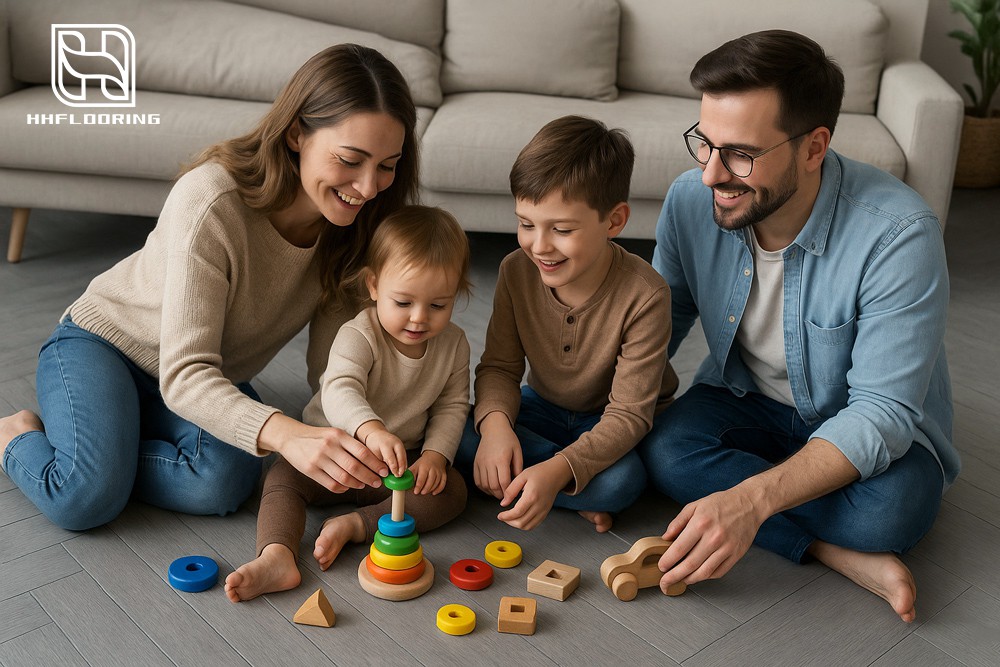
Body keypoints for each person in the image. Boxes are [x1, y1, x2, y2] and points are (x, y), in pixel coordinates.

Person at [0, 44, 421, 531]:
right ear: (296, 134)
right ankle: (19, 435)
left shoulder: (361, 228)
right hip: (106, 346)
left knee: (226, 480)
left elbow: (334, 368)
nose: (369, 187)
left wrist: (373, 427)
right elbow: (184, 373)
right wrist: (288, 436)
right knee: (84, 499)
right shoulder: (211, 200)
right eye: (351, 159)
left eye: (387, 165)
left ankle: (106, 451)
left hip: (204, 373)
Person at [640, 30, 958, 623]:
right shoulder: (690, 201)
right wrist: (592, 429)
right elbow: (660, 322)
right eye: (704, 144)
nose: (711, 175)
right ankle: (830, 549)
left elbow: (881, 413)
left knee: (892, 512)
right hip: (744, 400)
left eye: (740, 154)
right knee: (664, 448)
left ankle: (768, 510)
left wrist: (749, 498)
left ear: (814, 148)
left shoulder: (899, 233)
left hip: (853, 417)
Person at [225, 205, 471, 602]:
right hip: (335, 450)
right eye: (403, 302)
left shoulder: (455, 344)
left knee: (453, 491)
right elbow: (340, 388)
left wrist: (436, 456)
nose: (419, 319)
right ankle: (277, 554)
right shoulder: (360, 333)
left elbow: (453, 404)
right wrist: (370, 430)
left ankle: (359, 525)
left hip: (399, 463)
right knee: (282, 480)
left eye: (438, 305)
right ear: (374, 286)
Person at [454, 115, 679, 533]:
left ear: (614, 221)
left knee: (622, 481)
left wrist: (558, 468)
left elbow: (629, 415)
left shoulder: (646, 295)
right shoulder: (515, 271)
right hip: (542, 407)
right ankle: (563, 490)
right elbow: (500, 368)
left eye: (561, 229)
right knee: (458, 432)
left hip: (610, 421)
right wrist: (498, 429)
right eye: (526, 224)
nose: (539, 246)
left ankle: (534, 482)